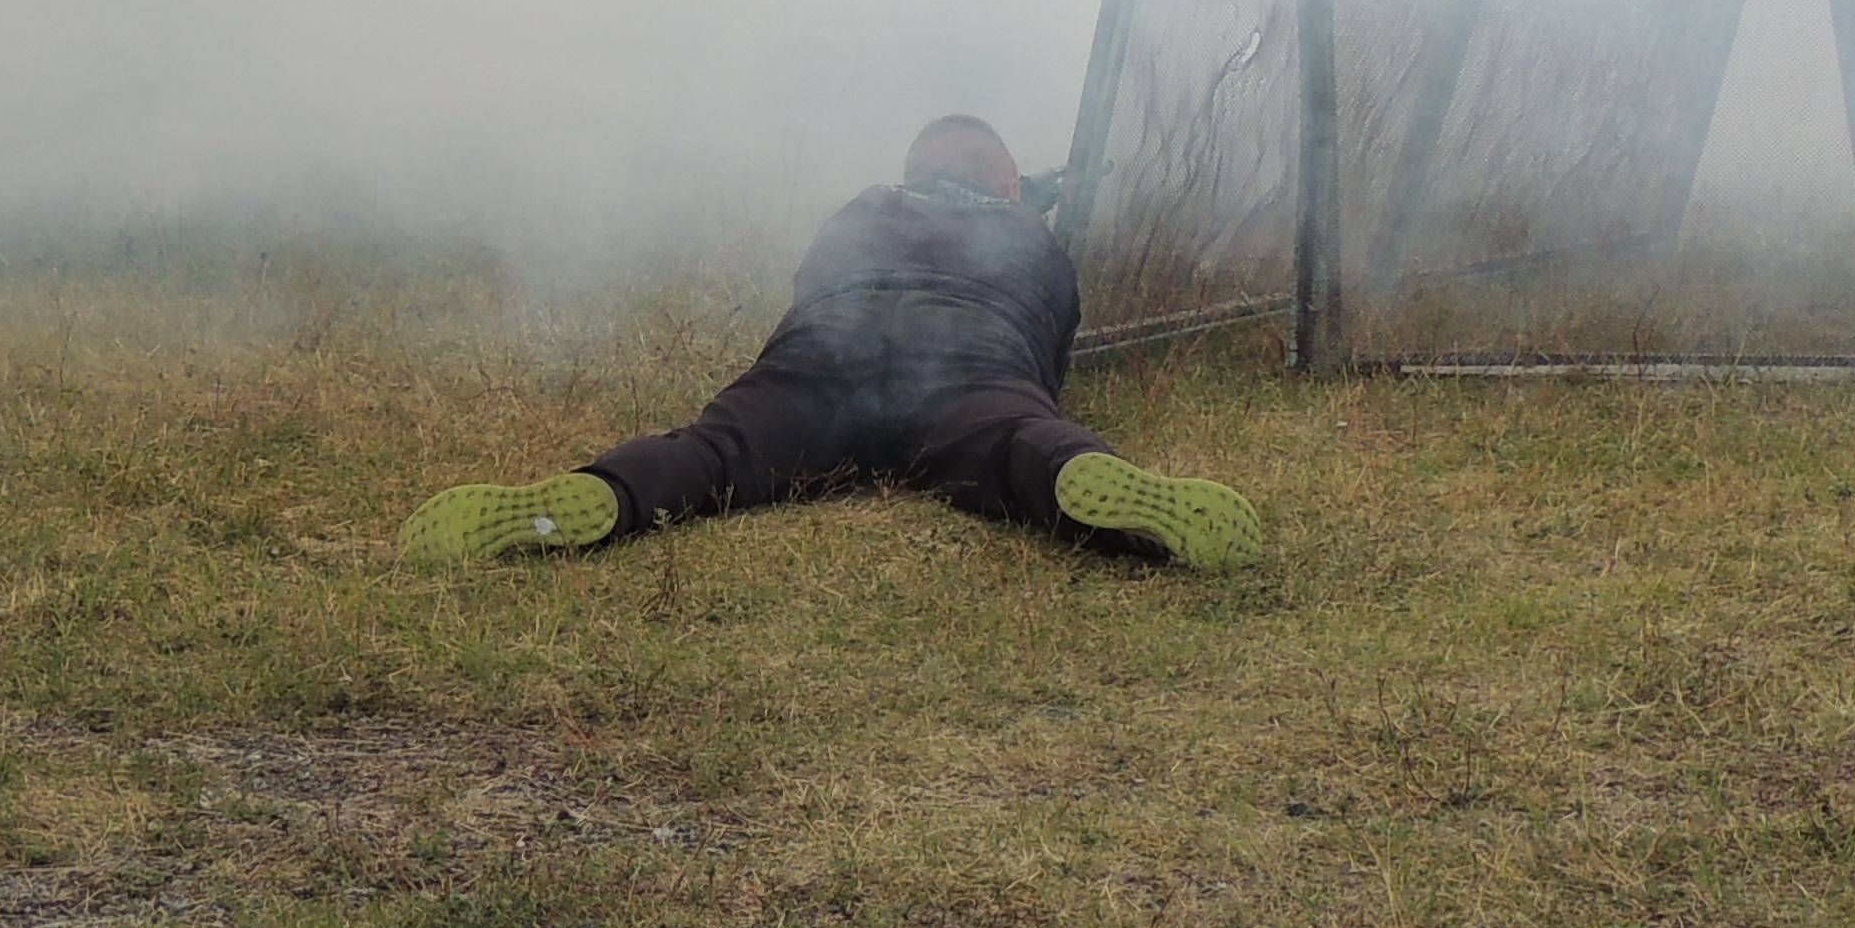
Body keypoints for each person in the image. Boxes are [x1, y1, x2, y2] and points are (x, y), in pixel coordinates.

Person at [399, 115, 1264, 571]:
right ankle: (1083, 476)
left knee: (715, 452)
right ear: (1007, 182)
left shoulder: (863, 207)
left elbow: (814, 287)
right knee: (1022, 438)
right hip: (967, 365)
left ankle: (593, 496)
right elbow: (1048, 354)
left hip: (822, 359)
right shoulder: (1028, 236)